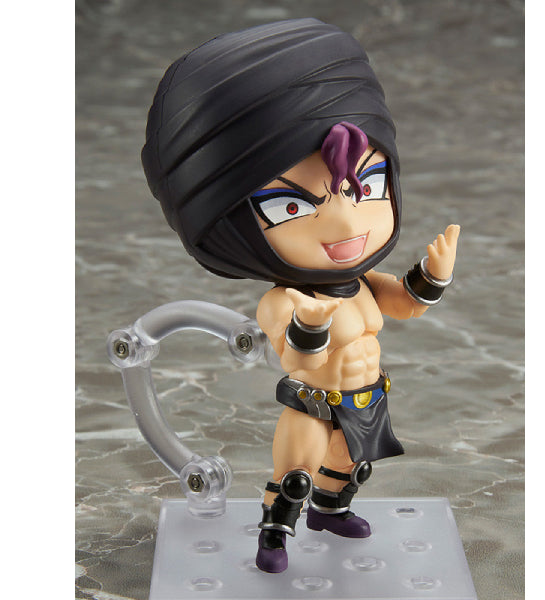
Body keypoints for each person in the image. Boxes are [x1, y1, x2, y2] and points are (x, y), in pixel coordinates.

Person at [141, 18, 460, 574]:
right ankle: (274, 535)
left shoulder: (363, 284)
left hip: (366, 399)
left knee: (350, 469)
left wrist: (434, 275)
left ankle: (331, 513)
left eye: (366, 186)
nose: (346, 223)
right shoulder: (283, 299)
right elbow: (294, 358)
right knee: (296, 474)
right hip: (313, 404)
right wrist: (311, 325)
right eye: (292, 205)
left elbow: (405, 304)